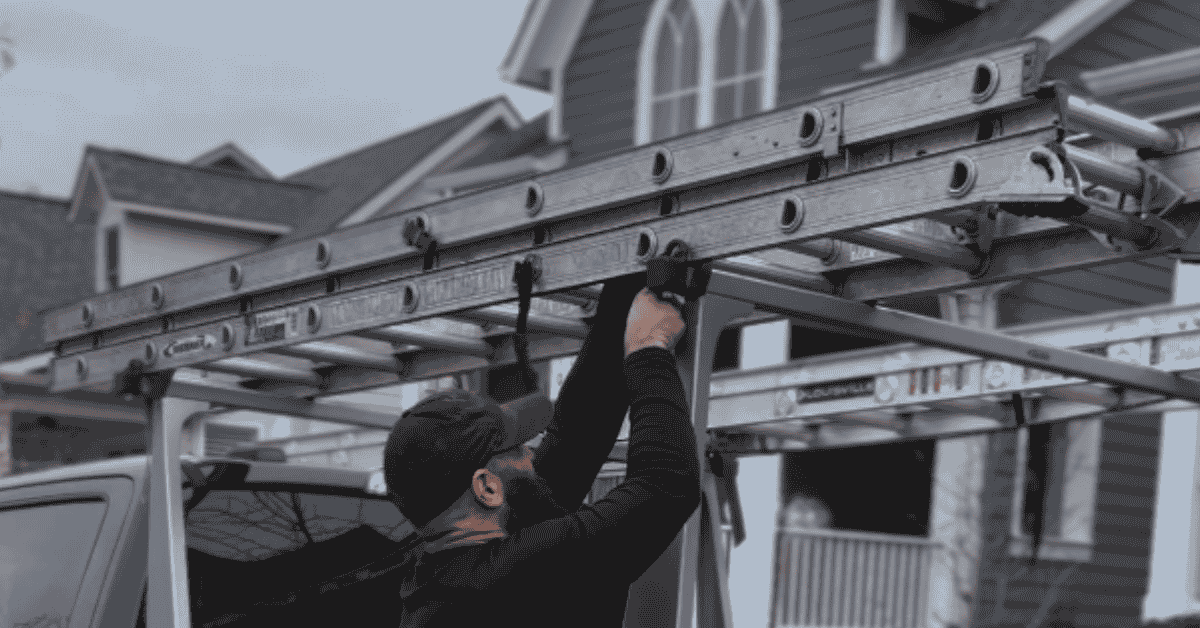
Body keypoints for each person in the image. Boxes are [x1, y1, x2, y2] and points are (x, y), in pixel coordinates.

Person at [383, 275, 701, 627]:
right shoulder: (511, 579)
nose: (532, 454)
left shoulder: (438, 580)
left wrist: (624, 293)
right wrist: (650, 350)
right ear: (486, 488)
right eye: (516, 447)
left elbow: (575, 439)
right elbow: (666, 484)